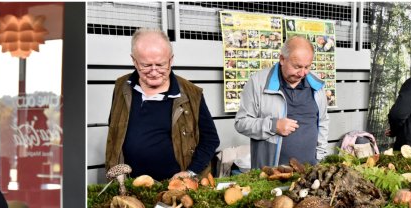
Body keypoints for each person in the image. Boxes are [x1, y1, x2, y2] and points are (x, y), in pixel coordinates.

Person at [104, 28, 220, 182]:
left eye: (160, 64)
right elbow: (114, 130)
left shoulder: (192, 94)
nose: (153, 71)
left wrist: (191, 172)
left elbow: (210, 139)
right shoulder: (121, 87)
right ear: (134, 61)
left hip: (176, 188)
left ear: (171, 60)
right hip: (131, 186)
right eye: (146, 65)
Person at [234, 35, 329, 170]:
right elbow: (241, 123)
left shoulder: (317, 85)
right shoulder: (258, 83)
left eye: (307, 67)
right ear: (282, 59)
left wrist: (320, 157)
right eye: (297, 67)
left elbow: (323, 121)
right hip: (271, 173)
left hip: (310, 172)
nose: (302, 73)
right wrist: (273, 126)